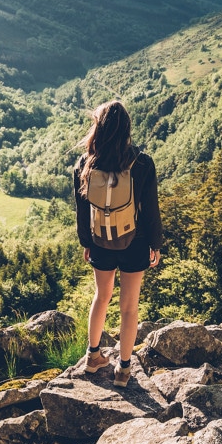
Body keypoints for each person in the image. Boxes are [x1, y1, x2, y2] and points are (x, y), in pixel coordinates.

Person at [73, 100, 162, 387]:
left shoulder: (85, 164)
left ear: (98, 128)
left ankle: (93, 357)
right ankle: (123, 370)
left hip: (100, 241)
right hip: (135, 242)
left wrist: (87, 242)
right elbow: (150, 210)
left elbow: (82, 210)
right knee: (129, 307)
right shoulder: (142, 163)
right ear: (126, 129)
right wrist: (155, 244)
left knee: (101, 297)